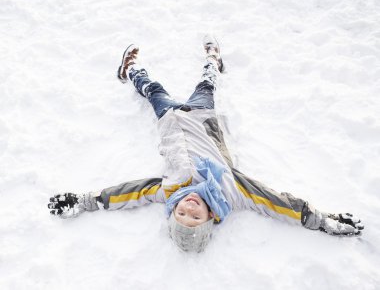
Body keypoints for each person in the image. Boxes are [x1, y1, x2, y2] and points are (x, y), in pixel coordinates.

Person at [48, 35, 364, 252]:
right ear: (210, 217)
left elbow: (127, 192)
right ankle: (213, 59)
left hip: (170, 119)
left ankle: (130, 69)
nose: (189, 208)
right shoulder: (232, 192)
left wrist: (86, 201)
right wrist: (320, 220)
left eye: (181, 215)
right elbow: (276, 201)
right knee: (206, 84)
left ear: (172, 212)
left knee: (152, 89)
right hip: (202, 118)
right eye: (195, 217)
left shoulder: (168, 191)